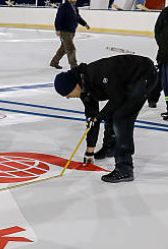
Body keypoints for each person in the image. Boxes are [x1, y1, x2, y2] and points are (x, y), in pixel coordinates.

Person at [54, 54, 158, 183]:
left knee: (121, 118)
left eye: (67, 94)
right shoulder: (84, 89)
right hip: (125, 82)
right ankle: (110, 148)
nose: (68, 97)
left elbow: (118, 98)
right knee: (109, 113)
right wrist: (89, 152)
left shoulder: (97, 74)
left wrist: (99, 117)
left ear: (73, 86)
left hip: (143, 75)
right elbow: (92, 120)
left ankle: (125, 169)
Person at [50, 0, 90, 70]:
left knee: (63, 48)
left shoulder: (74, 7)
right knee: (70, 48)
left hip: (71, 31)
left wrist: (85, 24)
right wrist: (58, 29)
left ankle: (54, 62)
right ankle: (74, 65)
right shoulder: (64, 7)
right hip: (64, 31)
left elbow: (78, 18)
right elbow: (58, 18)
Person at [155, 7, 168, 120]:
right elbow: (157, 31)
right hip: (164, 58)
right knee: (166, 86)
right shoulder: (166, 12)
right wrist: (163, 47)